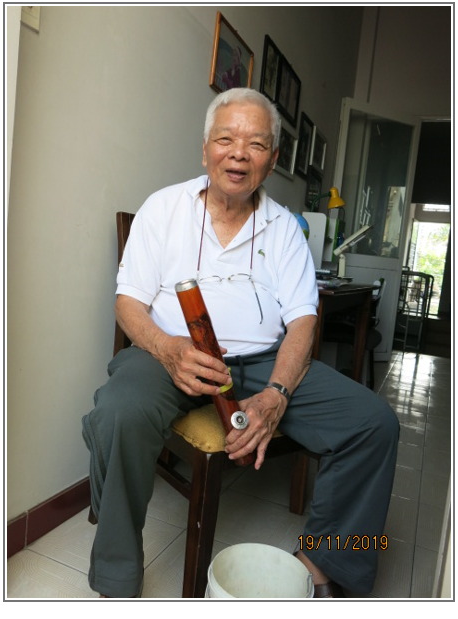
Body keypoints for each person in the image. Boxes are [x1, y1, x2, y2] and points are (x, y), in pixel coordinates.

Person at [82, 87, 399, 599]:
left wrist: (277, 394)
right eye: (226, 139)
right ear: (205, 148)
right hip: (169, 355)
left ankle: (322, 564)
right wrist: (168, 350)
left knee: (374, 423)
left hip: (263, 362)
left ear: (272, 160)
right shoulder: (163, 208)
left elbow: (303, 322)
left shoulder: (286, 229)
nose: (238, 154)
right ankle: (117, 578)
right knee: (119, 410)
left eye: (256, 144)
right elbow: (128, 304)